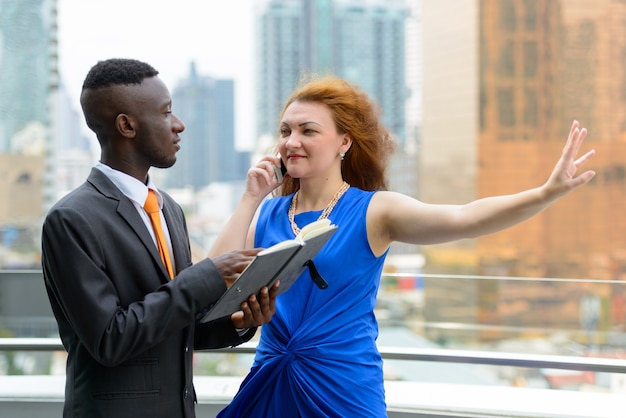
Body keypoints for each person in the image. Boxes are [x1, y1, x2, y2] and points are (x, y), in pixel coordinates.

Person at [208, 75, 596, 417]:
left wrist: (546, 193)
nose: (292, 141)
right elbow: (208, 282)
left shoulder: (375, 210)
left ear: (344, 142)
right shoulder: (267, 213)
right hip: (270, 381)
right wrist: (250, 198)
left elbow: (466, 217)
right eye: (285, 131)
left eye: (308, 131)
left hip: (343, 389)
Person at [41, 58, 279, 418]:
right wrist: (207, 276)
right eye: (167, 112)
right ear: (126, 125)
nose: (179, 125)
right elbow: (110, 339)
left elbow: (176, 327)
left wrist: (239, 323)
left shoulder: (169, 209)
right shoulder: (71, 219)